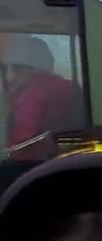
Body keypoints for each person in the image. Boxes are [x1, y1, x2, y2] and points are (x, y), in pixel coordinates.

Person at [2, 34, 85, 162]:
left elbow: (21, 144)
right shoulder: (71, 87)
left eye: (12, 68)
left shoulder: (31, 93)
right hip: (68, 159)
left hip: (31, 166)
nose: (10, 76)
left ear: (21, 68)